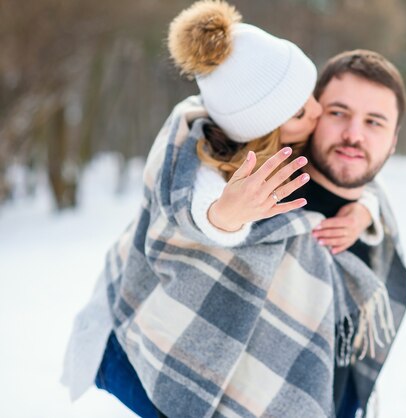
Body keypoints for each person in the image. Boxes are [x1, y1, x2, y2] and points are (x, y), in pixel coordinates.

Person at [61, 1, 389, 417]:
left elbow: (366, 180)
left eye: (310, 97)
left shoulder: (304, 142)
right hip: (169, 339)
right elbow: (194, 211)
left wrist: (367, 211)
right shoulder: (204, 163)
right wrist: (227, 215)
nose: (319, 112)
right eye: (302, 111)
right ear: (265, 133)